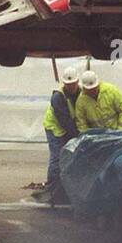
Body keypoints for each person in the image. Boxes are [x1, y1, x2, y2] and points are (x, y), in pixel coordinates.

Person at [38, 65, 81, 201]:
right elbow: (64, 120)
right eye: (68, 84)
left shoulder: (80, 92)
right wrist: (76, 136)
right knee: (57, 157)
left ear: (77, 82)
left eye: (73, 84)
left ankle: (65, 187)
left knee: (69, 157)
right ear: (64, 83)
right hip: (55, 128)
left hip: (68, 127)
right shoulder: (58, 97)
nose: (71, 87)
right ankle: (52, 188)